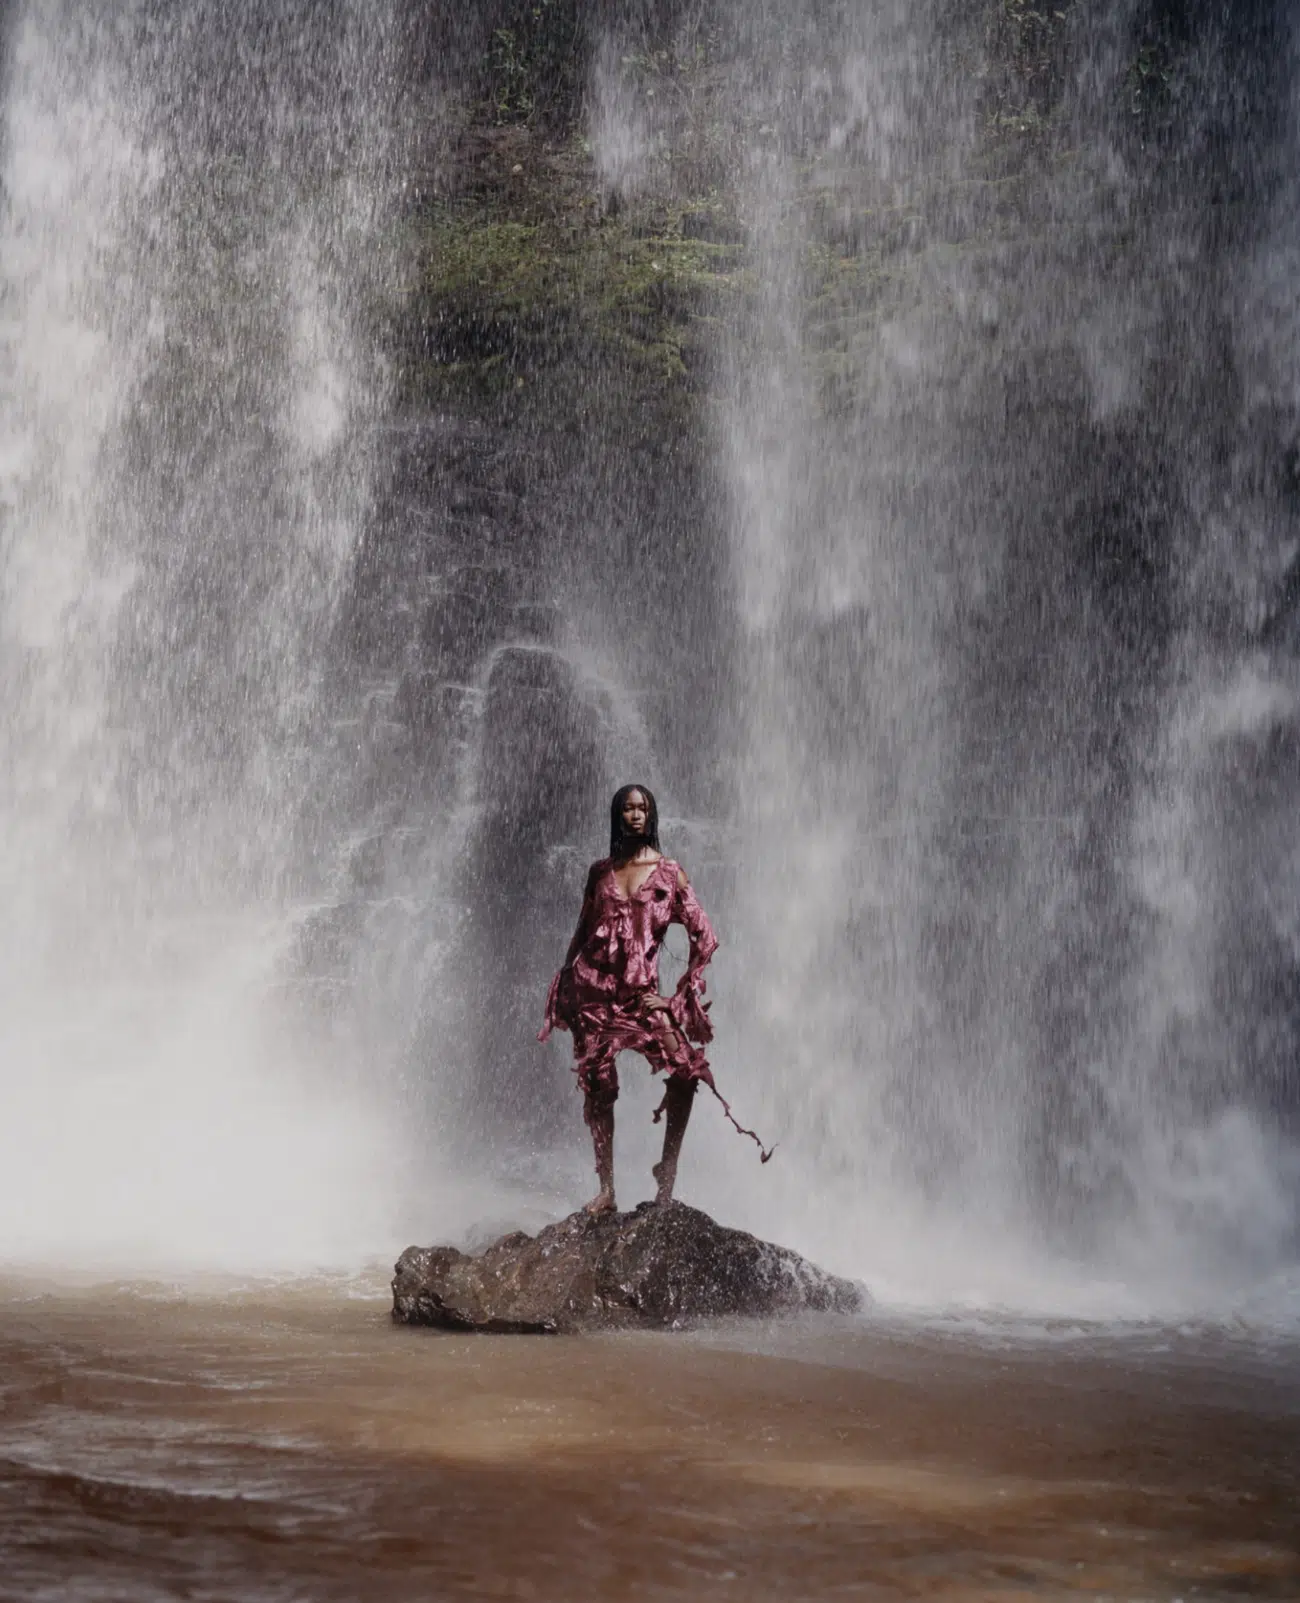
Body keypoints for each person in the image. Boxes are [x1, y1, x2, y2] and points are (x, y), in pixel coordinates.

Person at [539, 784, 770, 1216]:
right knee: (598, 1088)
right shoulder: (600, 873)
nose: (636, 815)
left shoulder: (669, 874)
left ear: (653, 815)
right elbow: (582, 930)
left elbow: (706, 938)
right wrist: (564, 981)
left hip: (643, 998)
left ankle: (667, 1171)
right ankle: (607, 1190)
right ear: (617, 815)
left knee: (685, 1069)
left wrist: (675, 999)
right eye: (628, 808)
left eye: (643, 808)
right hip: (595, 995)